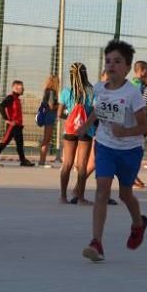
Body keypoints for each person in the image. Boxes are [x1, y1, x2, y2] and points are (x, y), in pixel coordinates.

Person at [74, 40, 147, 263]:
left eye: (117, 61)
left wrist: (124, 132)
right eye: (108, 61)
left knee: (125, 194)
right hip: (105, 145)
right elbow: (99, 108)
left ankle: (138, 223)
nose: (111, 65)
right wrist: (86, 125)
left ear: (127, 67)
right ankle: (96, 242)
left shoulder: (133, 93)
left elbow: (143, 126)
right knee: (101, 191)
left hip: (129, 149)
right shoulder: (99, 88)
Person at [58, 62, 96, 204]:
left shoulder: (66, 92)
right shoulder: (91, 92)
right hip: (86, 131)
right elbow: (95, 112)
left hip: (70, 130)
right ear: (85, 74)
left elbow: (60, 113)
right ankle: (80, 197)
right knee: (82, 165)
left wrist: (70, 116)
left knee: (67, 164)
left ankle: (63, 196)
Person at [0, 80, 34, 168]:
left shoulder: (17, 99)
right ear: (16, 88)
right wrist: (6, 119)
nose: (23, 89)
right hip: (12, 126)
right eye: (21, 88)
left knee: (20, 144)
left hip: (18, 126)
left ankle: (23, 160)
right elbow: (1, 106)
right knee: (4, 142)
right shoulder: (11, 97)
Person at [37, 74, 60, 167]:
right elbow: (51, 106)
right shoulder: (51, 92)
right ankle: (42, 161)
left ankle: (42, 160)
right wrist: (61, 105)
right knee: (46, 139)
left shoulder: (47, 91)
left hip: (48, 115)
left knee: (47, 139)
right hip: (49, 116)